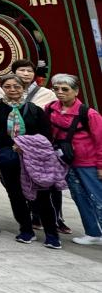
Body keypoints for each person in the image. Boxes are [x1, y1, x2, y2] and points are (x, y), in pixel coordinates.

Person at [0, 75, 61, 249]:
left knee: (42, 194)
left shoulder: (35, 110)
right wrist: (13, 145)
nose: (12, 90)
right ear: (2, 88)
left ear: (24, 88)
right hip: (8, 156)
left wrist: (25, 145)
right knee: (15, 194)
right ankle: (26, 229)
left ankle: (51, 233)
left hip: (33, 158)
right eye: (8, 86)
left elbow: (45, 135)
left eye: (16, 86)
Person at [46, 74, 102, 246]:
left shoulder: (89, 114)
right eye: (56, 89)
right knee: (79, 196)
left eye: (65, 89)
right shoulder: (50, 109)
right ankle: (92, 232)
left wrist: (100, 165)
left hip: (89, 163)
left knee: (98, 197)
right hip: (67, 162)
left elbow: (100, 140)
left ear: (76, 91)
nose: (60, 92)